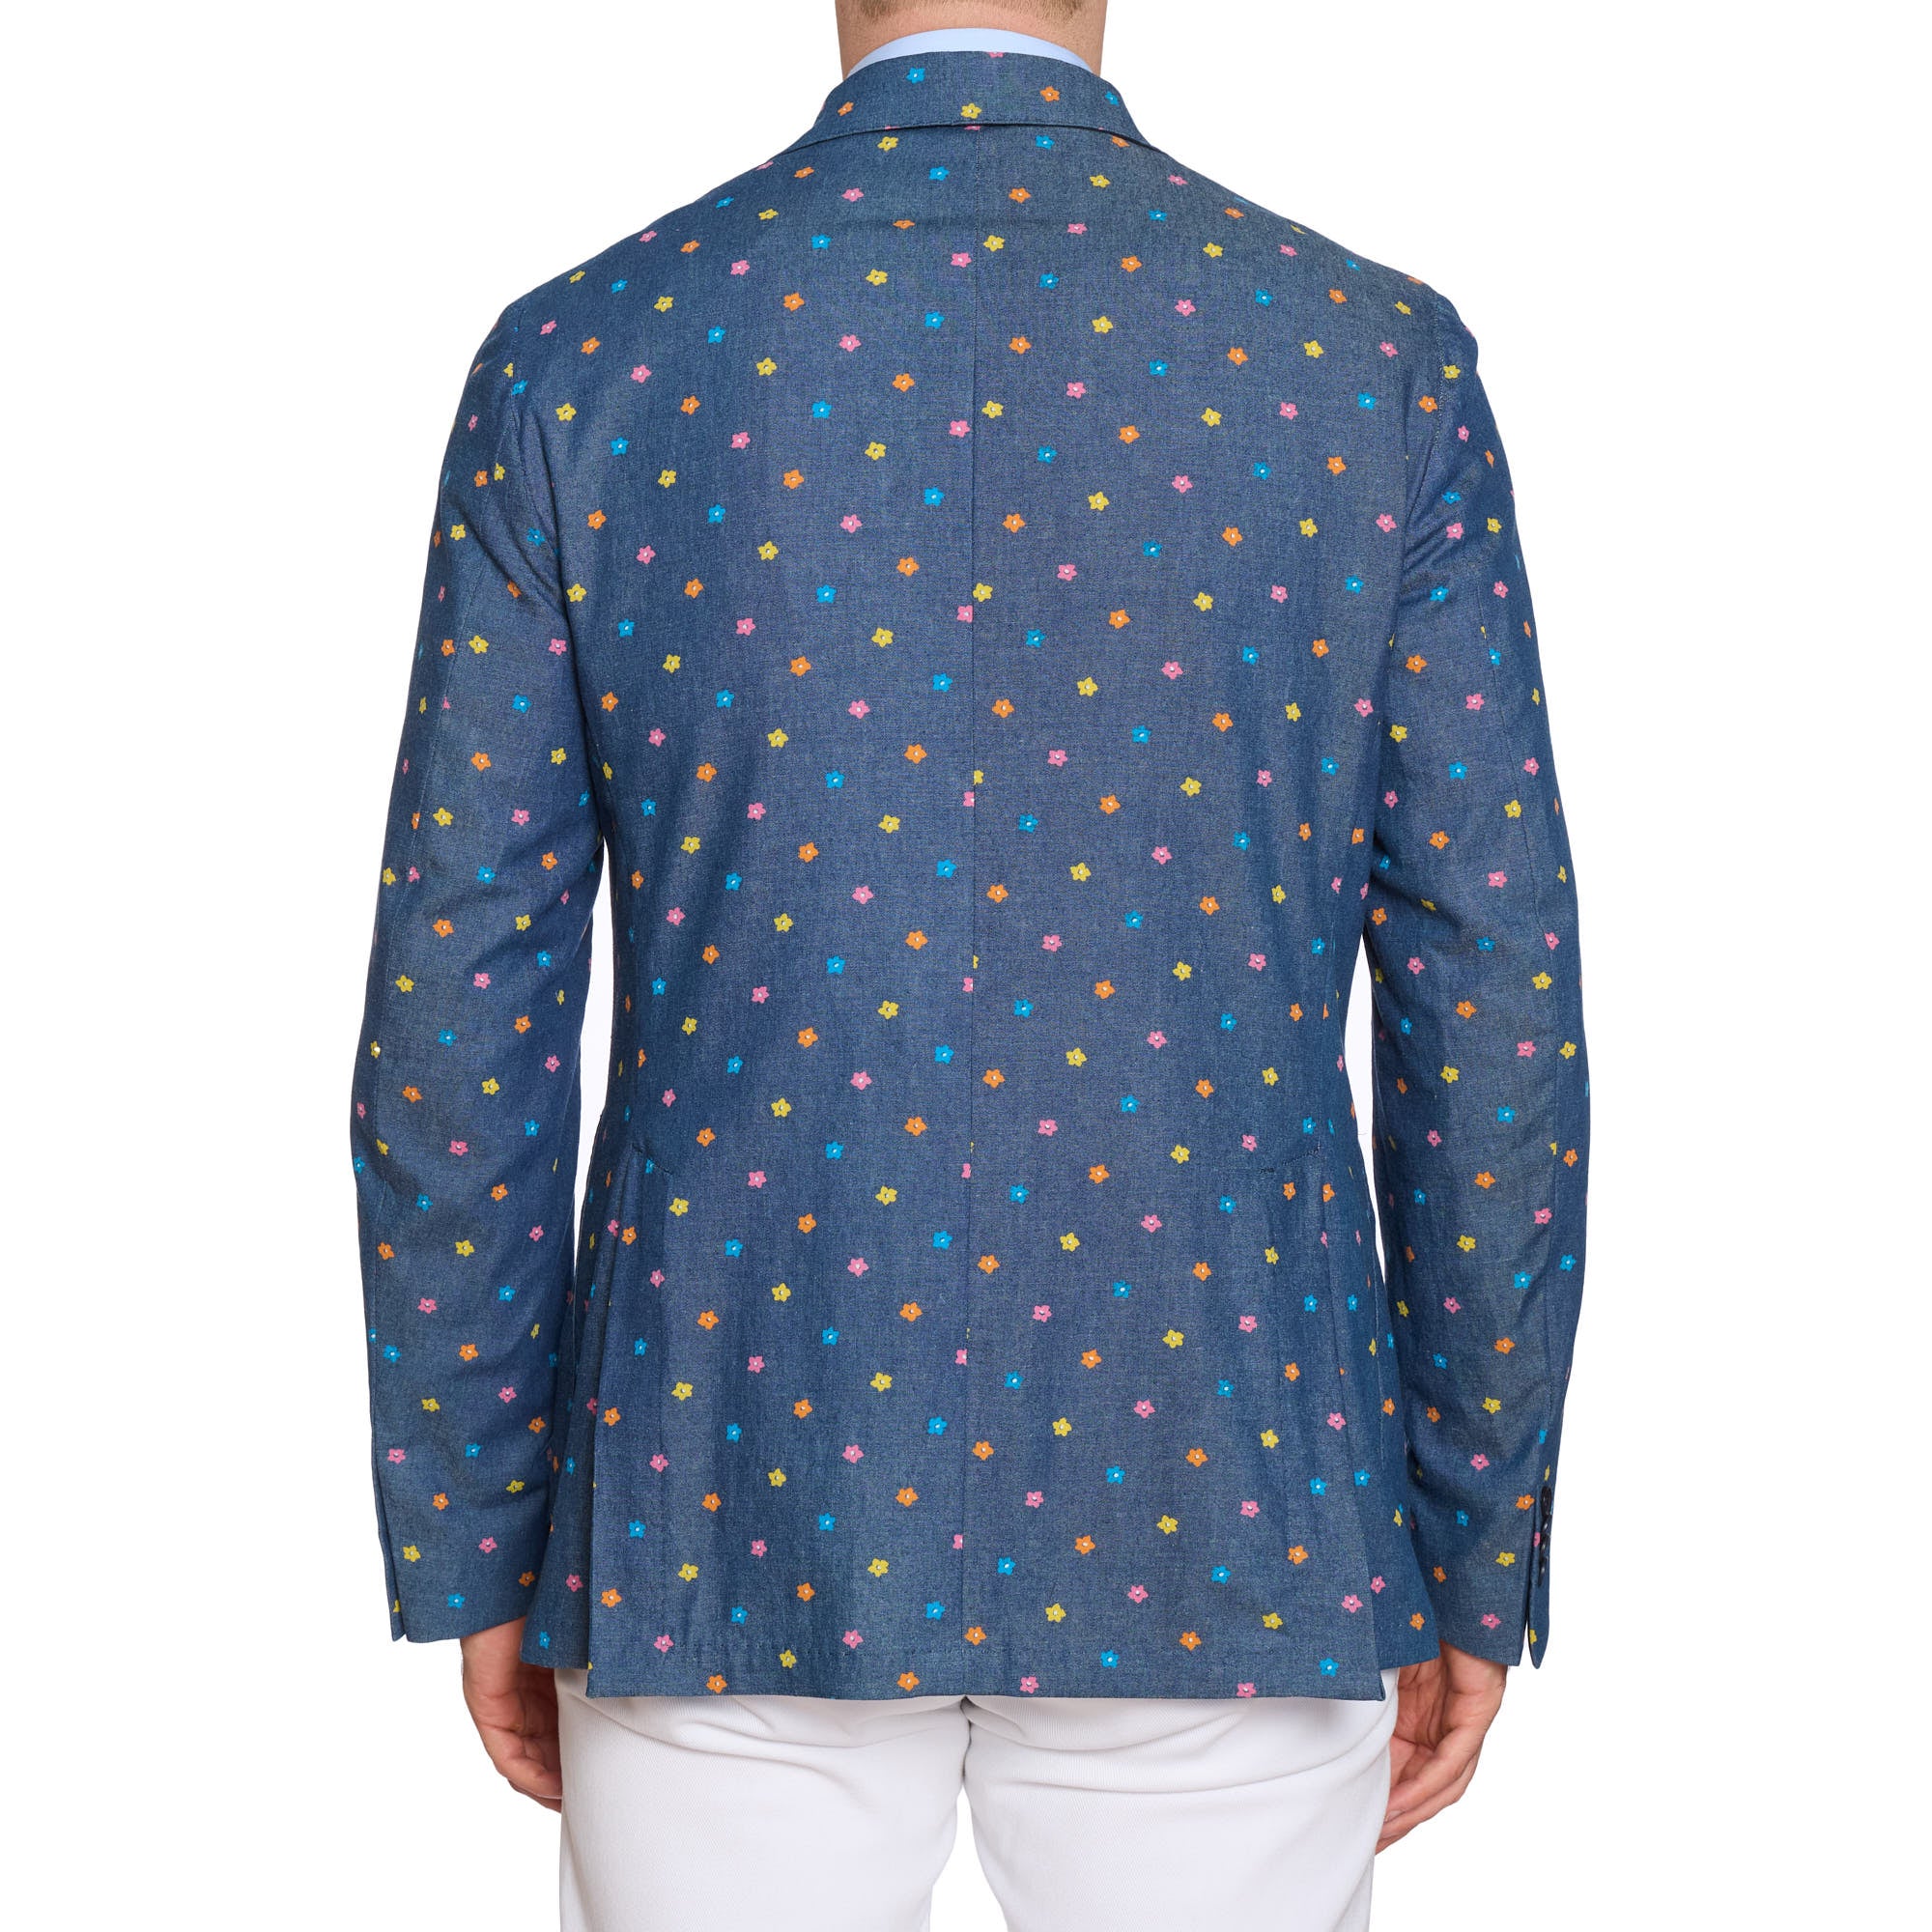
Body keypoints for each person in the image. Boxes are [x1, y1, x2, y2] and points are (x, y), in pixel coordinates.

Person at [347, 2, 1592, 1924]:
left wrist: (483, 1531)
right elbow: (1490, 990)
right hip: (1235, 1482)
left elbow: (459, 1005)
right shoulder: (1364, 357)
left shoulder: (593, 353)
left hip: (720, 1479)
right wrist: (1468, 1530)